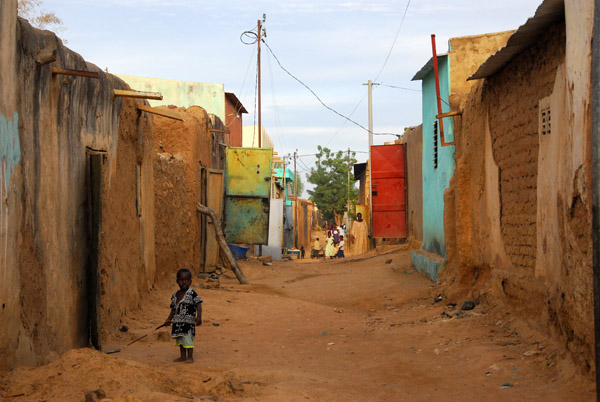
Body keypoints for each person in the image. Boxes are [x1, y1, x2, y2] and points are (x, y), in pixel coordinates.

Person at [164, 268, 202, 363]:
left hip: (188, 323)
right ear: (177, 281)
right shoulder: (175, 295)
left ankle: (190, 357)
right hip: (178, 322)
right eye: (181, 280)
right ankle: (182, 356)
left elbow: (198, 305)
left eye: (187, 280)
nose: (184, 282)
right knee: (180, 340)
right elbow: (173, 309)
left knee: (188, 340)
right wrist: (168, 319)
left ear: (190, 281)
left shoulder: (192, 293)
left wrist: (199, 317)